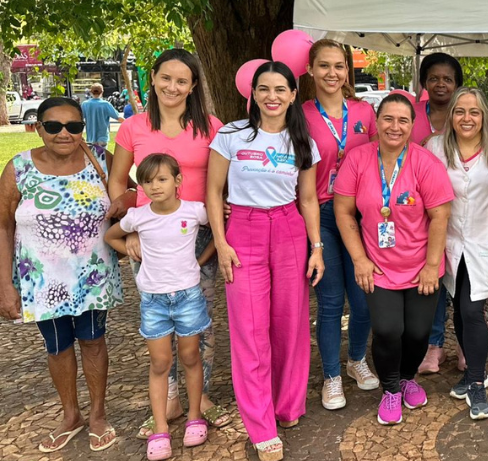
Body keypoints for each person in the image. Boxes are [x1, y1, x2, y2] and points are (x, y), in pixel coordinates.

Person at [206, 62, 324, 461]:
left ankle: (287, 404)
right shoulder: (231, 135)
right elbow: (213, 191)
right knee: (250, 329)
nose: (271, 96)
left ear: (293, 95)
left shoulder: (302, 141)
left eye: (280, 89)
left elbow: (308, 199)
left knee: (290, 324)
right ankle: (260, 424)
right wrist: (221, 243)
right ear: (252, 94)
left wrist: (317, 247)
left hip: (289, 229)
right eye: (263, 89)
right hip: (244, 231)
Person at [109, 49, 226, 436]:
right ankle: (170, 398)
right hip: (150, 235)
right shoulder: (133, 127)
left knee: (198, 320)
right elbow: (118, 180)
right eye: (165, 78)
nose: (172, 87)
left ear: (193, 86)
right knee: (159, 321)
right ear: (153, 78)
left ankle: (200, 397)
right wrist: (129, 229)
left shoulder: (212, 127)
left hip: (199, 235)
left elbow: (222, 181)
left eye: (181, 81)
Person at [0, 98, 123, 454]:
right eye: (54, 126)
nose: (64, 133)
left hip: (92, 277)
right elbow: (3, 225)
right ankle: (71, 415)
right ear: (38, 128)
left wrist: (126, 206)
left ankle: (97, 415)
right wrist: (4, 284)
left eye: (74, 126)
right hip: (41, 280)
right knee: (57, 346)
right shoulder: (19, 168)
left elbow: (134, 193)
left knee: (93, 340)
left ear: (83, 128)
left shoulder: (101, 159)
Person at [332, 92, 454, 427]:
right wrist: (359, 259)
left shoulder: (426, 163)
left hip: (421, 266)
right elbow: (343, 212)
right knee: (388, 330)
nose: (394, 127)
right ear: (377, 121)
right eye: (388, 119)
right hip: (378, 266)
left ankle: (407, 377)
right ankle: (390, 388)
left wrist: (431, 266)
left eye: (403, 120)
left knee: (417, 333)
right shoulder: (358, 159)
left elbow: (440, 216)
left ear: (412, 125)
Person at [106, 154, 215, 459]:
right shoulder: (137, 217)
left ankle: (194, 416)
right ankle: (160, 428)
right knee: (159, 363)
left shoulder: (194, 211)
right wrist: (130, 248)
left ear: (178, 181)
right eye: (147, 181)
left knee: (191, 356)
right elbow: (111, 236)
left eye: (162, 179)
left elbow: (219, 230)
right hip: (153, 301)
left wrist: (201, 260)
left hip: (188, 298)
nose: (154, 186)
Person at [301, 39, 379, 407]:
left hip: (360, 214)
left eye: (339, 66)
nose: (332, 73)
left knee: (364, 300)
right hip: (321, 214)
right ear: (310, 70)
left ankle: (356, 360)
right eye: (324, 66)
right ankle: (331, 375)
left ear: (347, 70)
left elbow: (381, 158)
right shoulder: (299, 114)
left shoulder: (364, 111)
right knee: (331, 301)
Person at [426, 88, 488, 420]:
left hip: (484, 243)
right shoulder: (435, 148)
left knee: (472, 310)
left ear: (485, 116)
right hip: (448, 244)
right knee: (459, 309)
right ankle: (473, 372)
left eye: (474, 112)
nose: (467, 118)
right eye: (460, 111)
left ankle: (476, 381)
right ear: (451, 115)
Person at [413, 52, 463, 374]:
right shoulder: (412, 114)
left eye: (447, 79)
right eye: (433, 78)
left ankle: (466, 342)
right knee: (432, 278)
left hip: (462, 210)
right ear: (424, 83)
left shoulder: (466, 112)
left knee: (463, 279)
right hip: (420, 213)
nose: (440, 84)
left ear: (457, 84)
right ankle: (434, 345)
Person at [82, 85, 120, 162]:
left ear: (91, 92)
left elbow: (79, 119)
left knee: (92, 161)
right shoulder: (106, 104)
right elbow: (118, 117)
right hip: (103, 137)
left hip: (90, 138)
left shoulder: (85, 104)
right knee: (102, 160)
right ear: (102, 92)